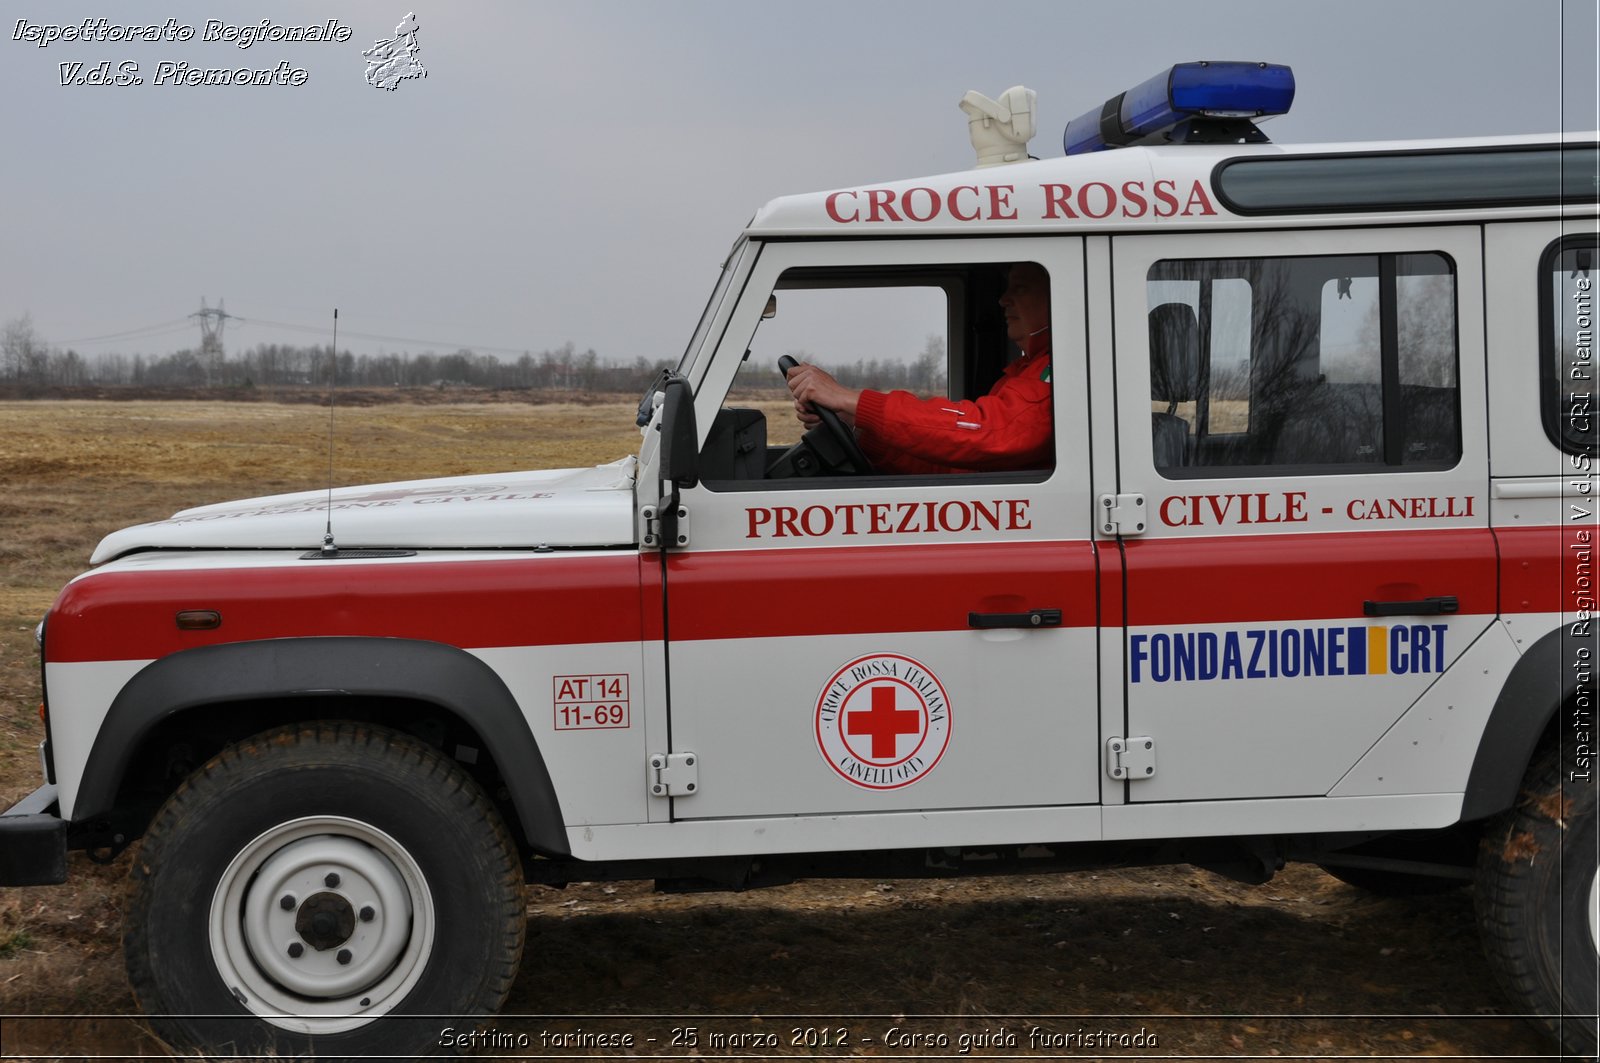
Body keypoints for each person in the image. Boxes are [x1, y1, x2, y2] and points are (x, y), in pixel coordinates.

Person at [783, 262, 1053, 474]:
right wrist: (857, 427)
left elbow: (988, 431)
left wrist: (850, 399)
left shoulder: (1055, 371)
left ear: (1058, 296)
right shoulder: (1023, 372)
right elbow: (958, 468)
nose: (1003, 299)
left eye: (1020, 288)